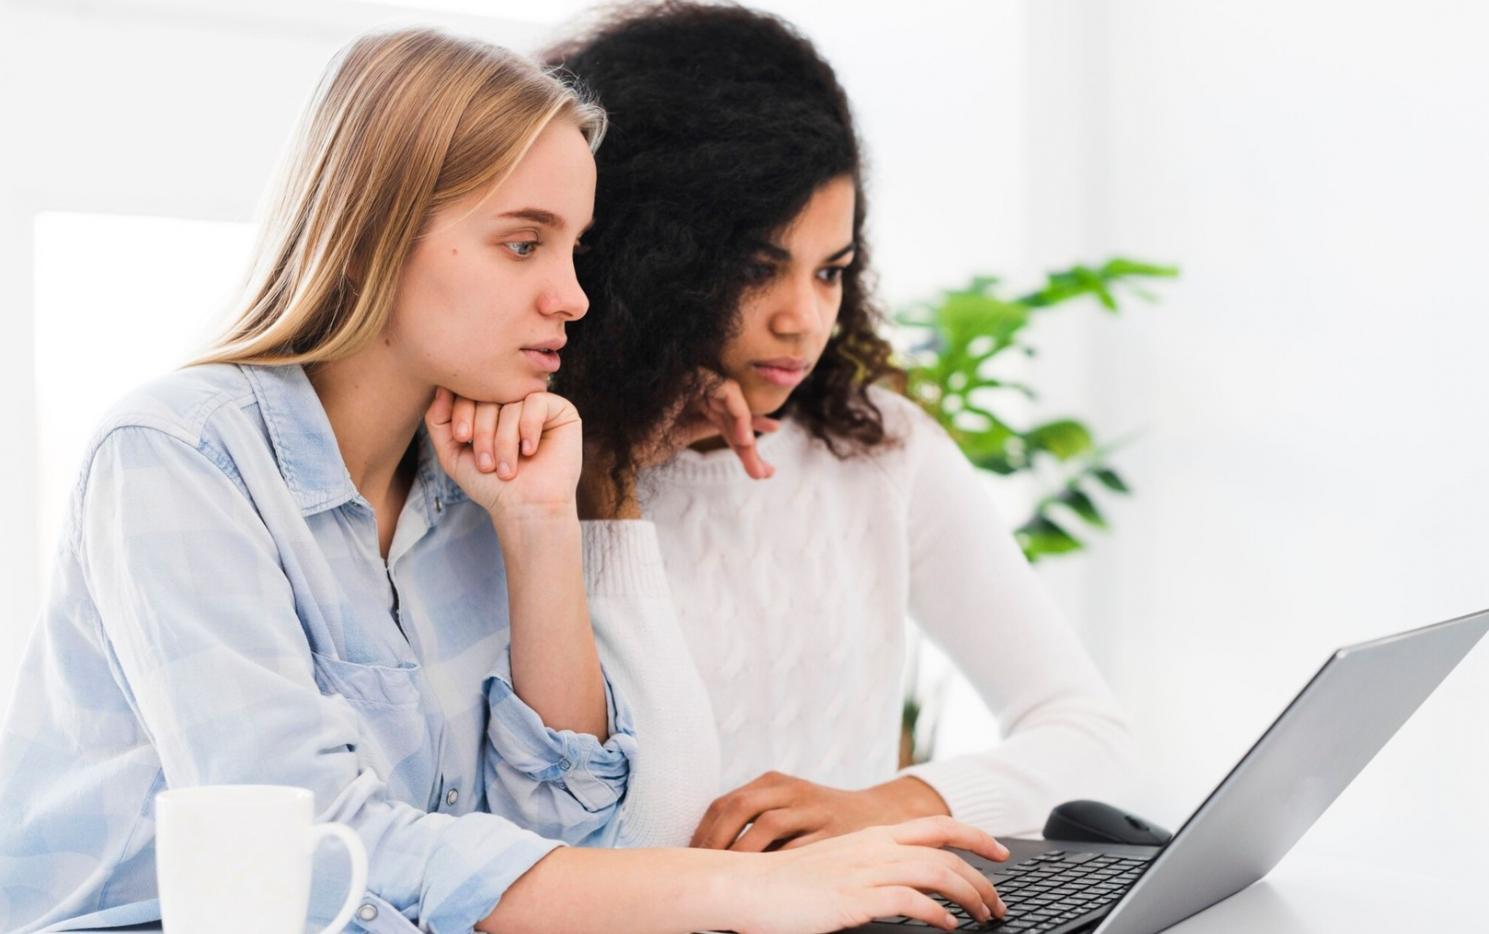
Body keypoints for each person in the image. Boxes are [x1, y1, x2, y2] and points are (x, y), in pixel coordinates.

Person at [0, 28, 1010, 933]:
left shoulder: (469, 484)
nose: (570, 295)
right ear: (373, 236)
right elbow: (312, 855)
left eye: (573, 248)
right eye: (523, 243)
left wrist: (538, 533)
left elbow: (566, 830)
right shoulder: (177, 455)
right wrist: (753, 890)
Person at [539, 1, 1139, 853]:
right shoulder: (529, 469)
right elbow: (604, 821)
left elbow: (1093, 739)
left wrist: (889, 805)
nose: (803, 320)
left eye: (831, 272)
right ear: (646, 255)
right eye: (758, 268)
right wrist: (611, 486)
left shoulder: (879, 449)